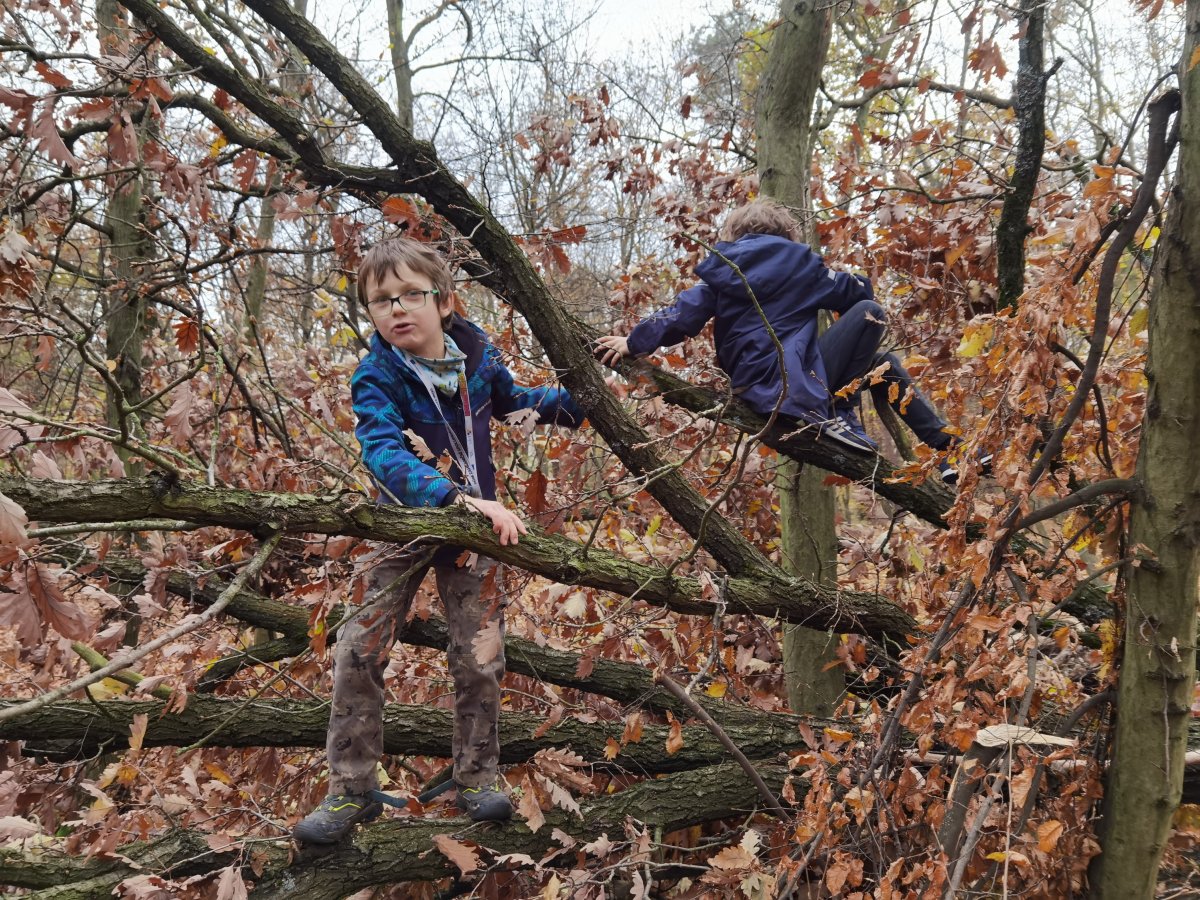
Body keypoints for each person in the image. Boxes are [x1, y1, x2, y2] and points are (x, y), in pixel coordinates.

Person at [293, 237, 584, 844]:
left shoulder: (477, 357)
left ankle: (475, 776)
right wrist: (453, 497)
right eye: (381, 301)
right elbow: (383, 452)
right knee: (358, 651)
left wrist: (588, 403)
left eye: (411, 295)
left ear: (445, 302)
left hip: (478, 531)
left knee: (479, 658)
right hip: (402, 527)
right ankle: (351, 789)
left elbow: (516, 404)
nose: (397, 308)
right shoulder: (377, 375)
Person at [597, 199, 978, 480]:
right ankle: (843, 412)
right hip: (794, 384)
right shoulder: (804, 269)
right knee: (870, 313)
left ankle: (949, 453)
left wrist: (635, 341)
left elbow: (683, 313)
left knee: (884, 366)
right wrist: (837, 280)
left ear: (735, 236)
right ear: (786, 235)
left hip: (752, 385)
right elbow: (859, 294)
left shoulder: (724, 270)